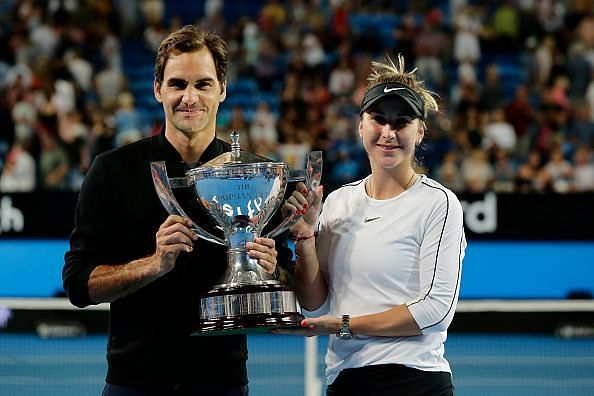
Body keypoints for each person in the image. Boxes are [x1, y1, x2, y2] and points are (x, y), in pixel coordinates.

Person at [63, 25, 290, 396]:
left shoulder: (257, 176)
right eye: (177, 84)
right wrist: (153, 264)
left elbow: (295, 286)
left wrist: (272, 267)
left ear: (222, 90)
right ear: (158, 90)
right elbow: (78, 285)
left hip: (223, 383)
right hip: (134, 382)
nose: (189, 97)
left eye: (202, 84)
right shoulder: (113, 170)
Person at [282, 54, 467, 395]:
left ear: (420, 132)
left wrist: (345, 325)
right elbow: (315, 306)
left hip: (415, 381)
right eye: (378, 119)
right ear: (361, 126)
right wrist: (305, 237)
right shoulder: (338, 202)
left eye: (401, 122)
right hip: (346, 381)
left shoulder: (438, 204)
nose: (388, 132)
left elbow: (435, 312)